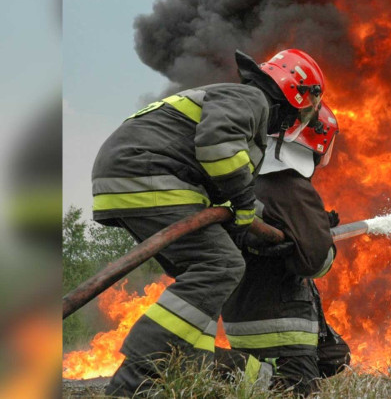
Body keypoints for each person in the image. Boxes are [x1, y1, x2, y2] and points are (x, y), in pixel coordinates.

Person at [92, 48, 327, 397]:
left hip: (131, 176)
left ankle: (181, 365)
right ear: (295, 93)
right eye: (306, 109)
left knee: (201, 279)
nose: (299, 119)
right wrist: (247, 206)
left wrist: (258, 226)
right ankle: (135, 378)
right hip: (148, 172)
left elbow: (220, 187)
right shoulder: (251, 99)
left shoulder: (239, 104)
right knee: (220, 265)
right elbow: (217, 148)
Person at [221, 101, 350, 396]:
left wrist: (309, 229)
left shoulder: (248, 180)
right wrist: (322, 239)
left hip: (242, 317)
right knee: (296, 390)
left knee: (335, 356)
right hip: (280, 325)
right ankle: (213, 366)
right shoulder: (290, 185)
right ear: (318, 142)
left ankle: (254, 376)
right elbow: (316, 262)